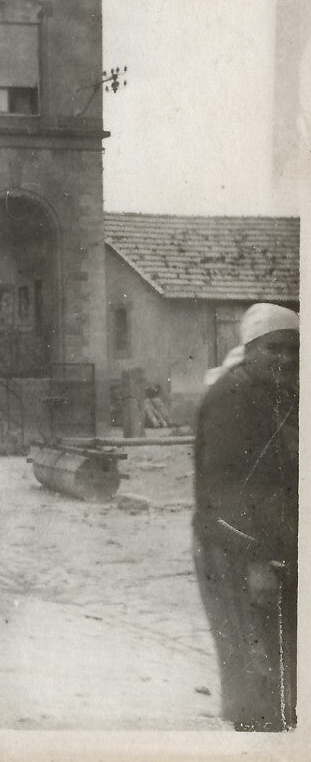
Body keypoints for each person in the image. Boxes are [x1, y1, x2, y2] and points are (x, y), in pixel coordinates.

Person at [192, 302, 299, 731]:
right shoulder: (229, 400)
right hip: (233, 555)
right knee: (254, 677)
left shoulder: (281, 394)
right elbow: (221, 494)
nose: (287, 360)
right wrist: (254, 561)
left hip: (274, 553)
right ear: (251, 349)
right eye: (275, 350)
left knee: (281, 672)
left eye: (295, 350)